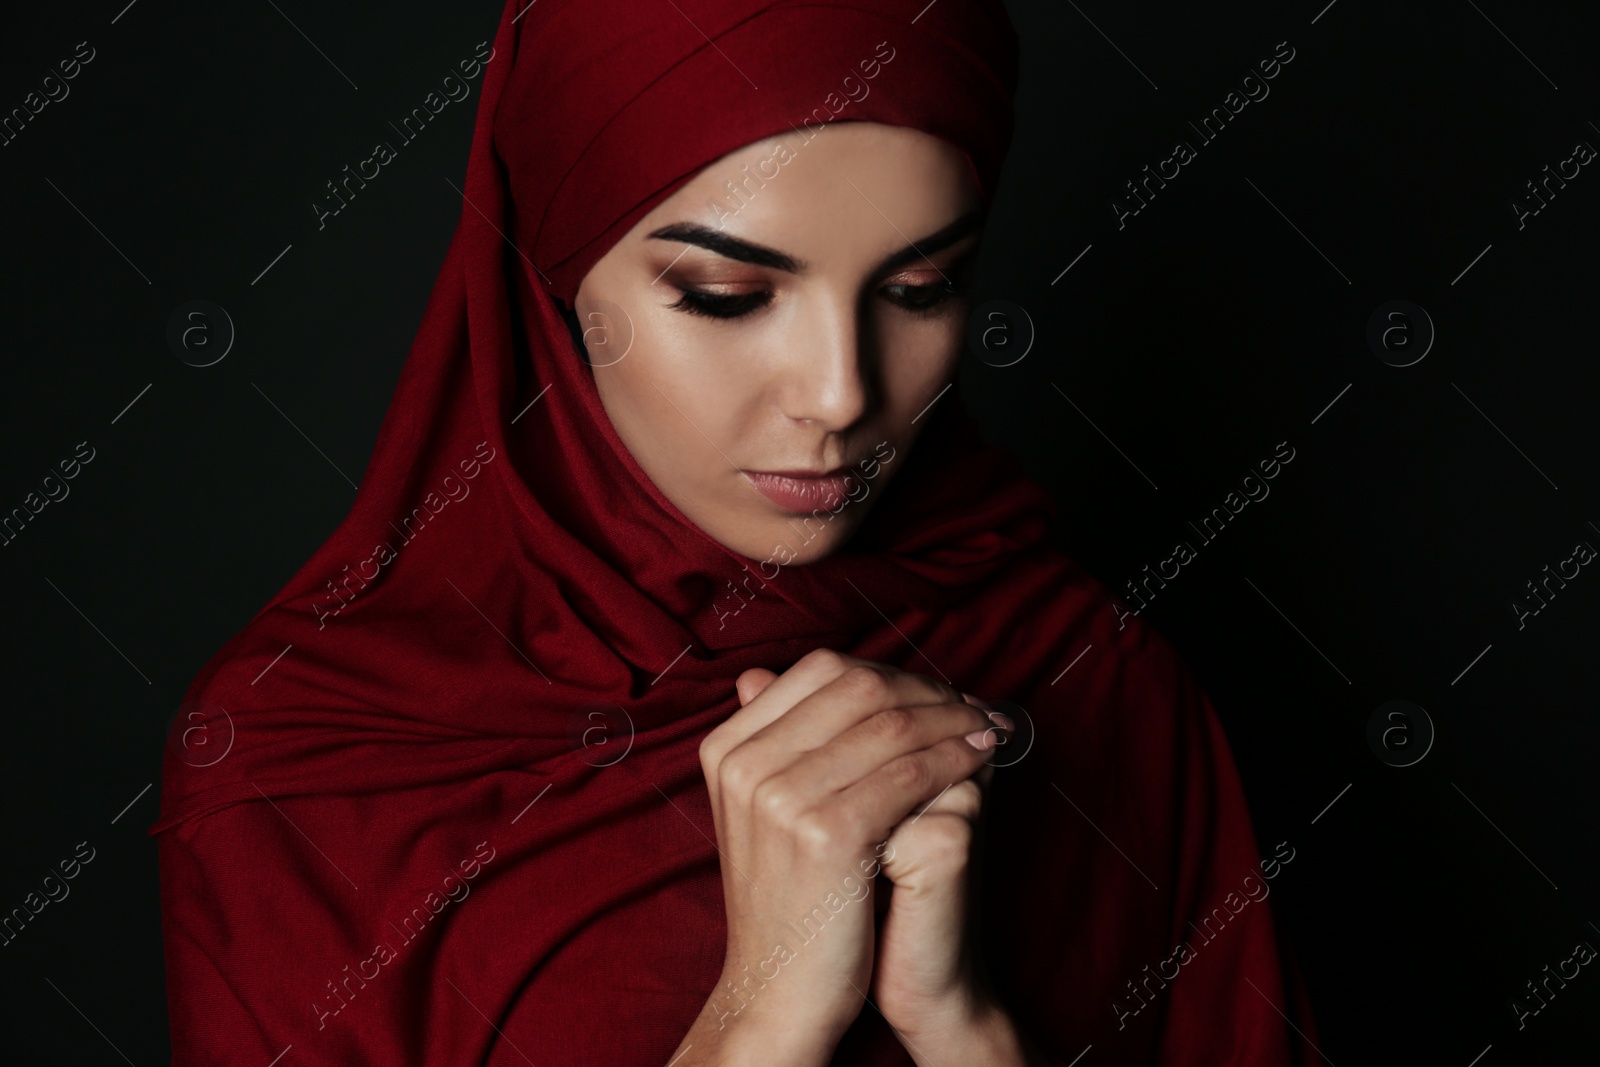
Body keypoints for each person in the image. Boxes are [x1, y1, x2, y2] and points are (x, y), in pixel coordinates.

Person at [153, 1, 1322, 1064]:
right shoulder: (301, 761)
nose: (838, 393)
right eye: (726, 293)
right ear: (552, 292)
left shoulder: (1092, 682)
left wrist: (963, 1028)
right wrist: (760, 1017)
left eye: (920, 289)